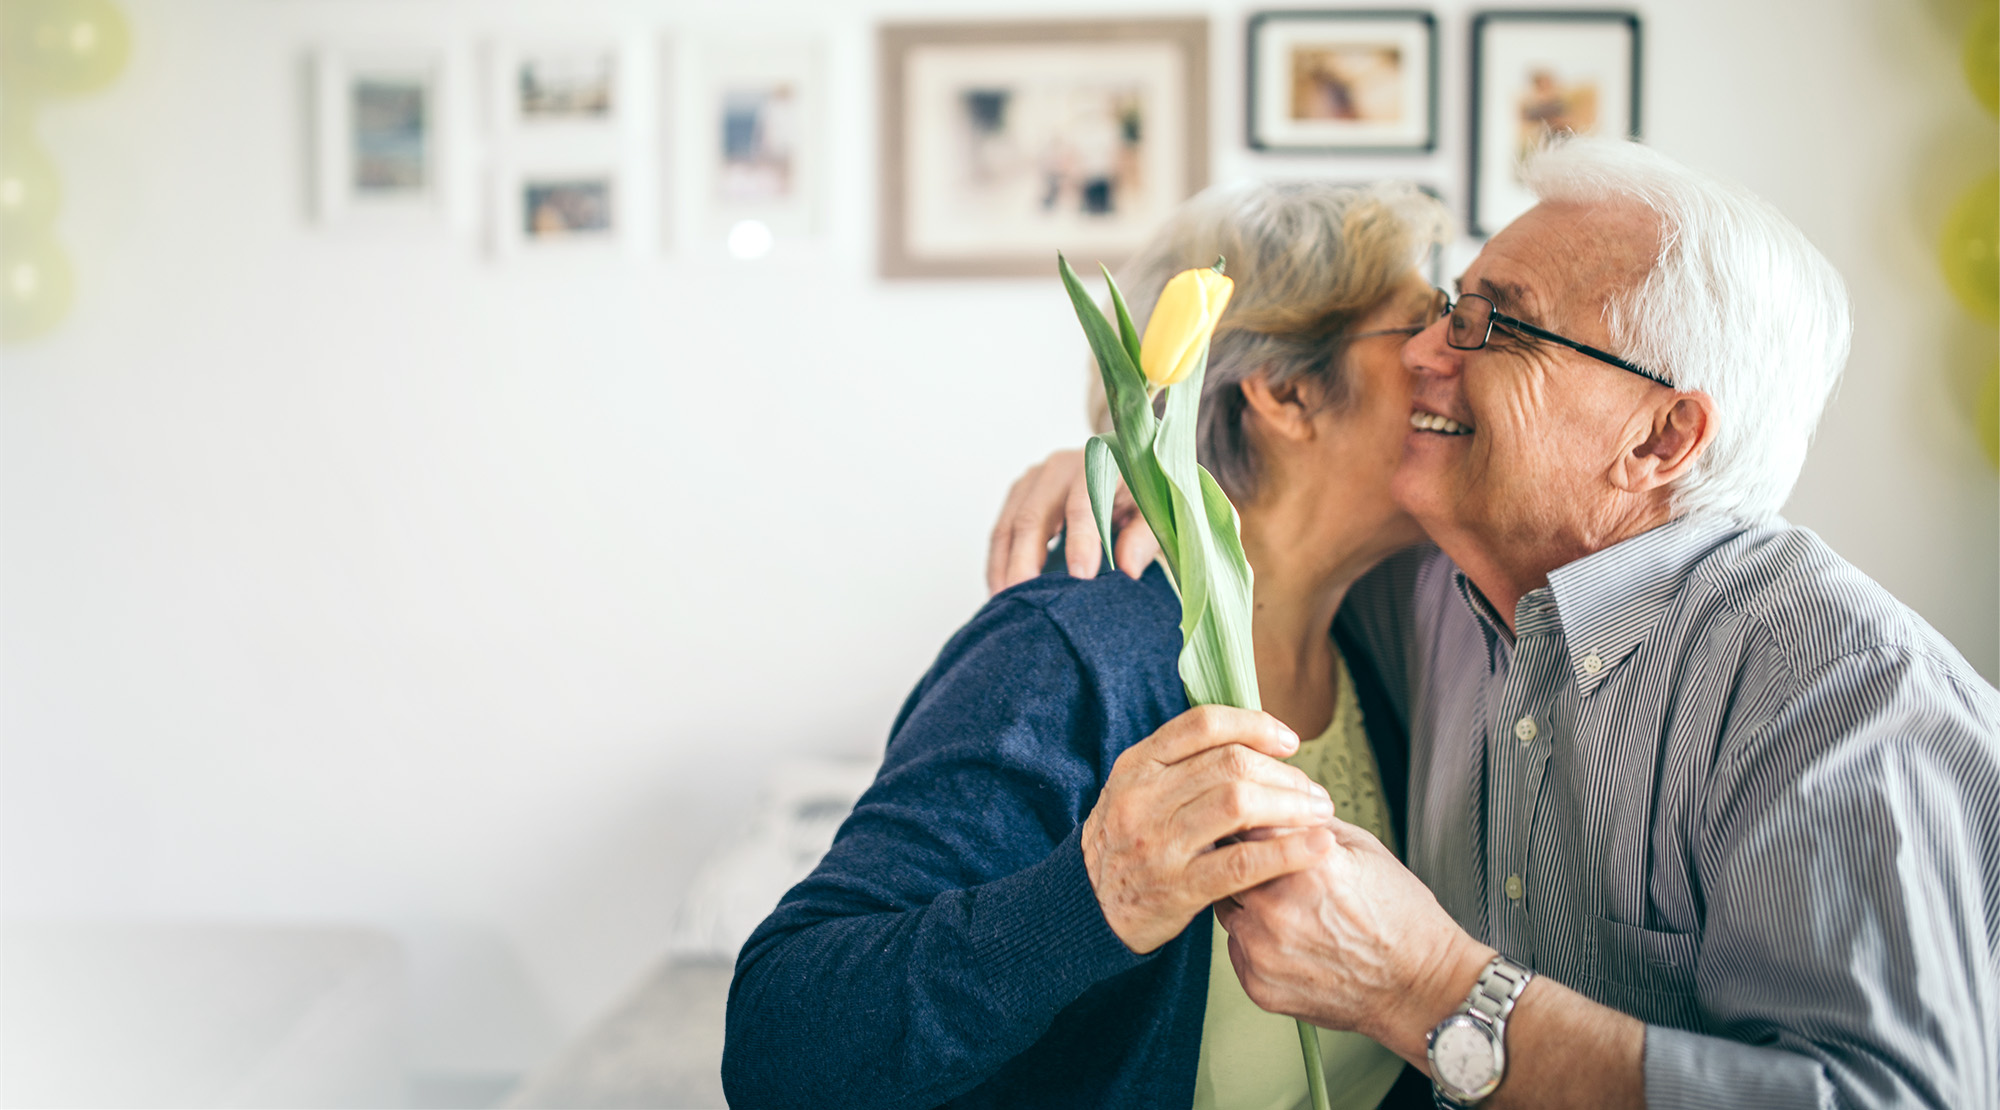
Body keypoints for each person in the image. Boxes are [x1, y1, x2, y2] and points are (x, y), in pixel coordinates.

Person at [987, 136, 2000, 1108]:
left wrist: (1426, 990)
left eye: (1492, 322)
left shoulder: (1842, 690)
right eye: (1443, 308)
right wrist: (1131, 470)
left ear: (1658, 436)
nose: (1423, 354)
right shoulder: (1425, 580)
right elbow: (1270, 521)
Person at [724, 179, 1452, 1109]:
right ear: (1287, 390)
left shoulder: (1388, 637)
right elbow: (779, 1041)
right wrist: (1095, 897)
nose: (1451, 357)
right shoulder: (1068, 651)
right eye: (1418, 324)